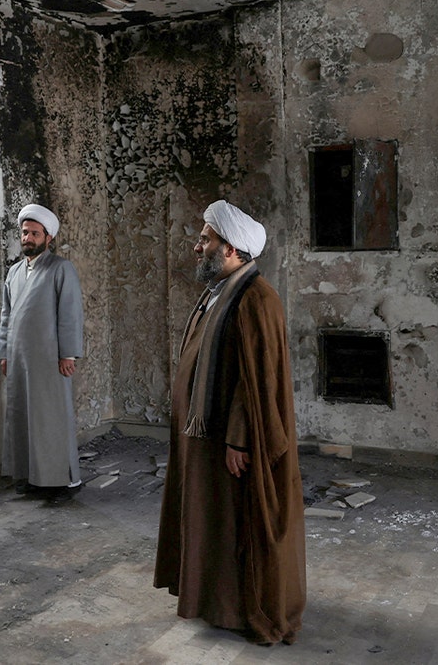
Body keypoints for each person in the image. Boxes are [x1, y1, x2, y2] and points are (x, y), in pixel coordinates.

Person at [153, 200, 306, 645]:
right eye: (202, 239)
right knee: (209, 520)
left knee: (237, 524)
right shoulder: (218, 291)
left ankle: (244, 607)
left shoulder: (256, 298)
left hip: (230, 441)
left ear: (233, 249)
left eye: (206, 239)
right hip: (202, 436)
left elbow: (255, 379)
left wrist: (240, 440)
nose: (197, 246)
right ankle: (214, 600)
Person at [0, 204, 84, 504]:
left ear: (48, 238)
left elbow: (69, 313)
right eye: (24, 232)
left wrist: (68, 354)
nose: (28, 237)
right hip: (20, 359)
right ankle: (30, 477)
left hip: (50, 359)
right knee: (23, 418)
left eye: (35, 233)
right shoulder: (13, 273)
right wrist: (4, 353)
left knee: (51, 419)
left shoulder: (61, 269)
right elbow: (6, 317)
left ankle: (60, 482)